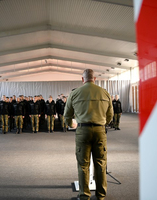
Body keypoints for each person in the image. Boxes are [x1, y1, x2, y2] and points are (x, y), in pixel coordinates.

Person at [64, 69, 113, 200]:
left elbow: (67, 115)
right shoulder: (105, 93)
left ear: (82, 79)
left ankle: (84, 195)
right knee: (101, 163)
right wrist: (102, 124)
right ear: (95, 78)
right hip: (100, 131)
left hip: (82, 131)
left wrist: (71, 124)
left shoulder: (74, 93)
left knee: (83, 164)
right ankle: (101, 195)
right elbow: (110, 115)